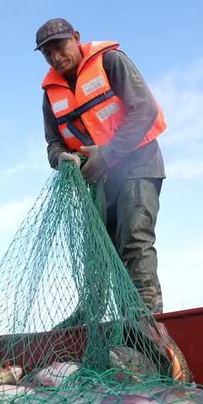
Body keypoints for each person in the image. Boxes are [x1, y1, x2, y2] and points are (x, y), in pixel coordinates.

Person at [36, 18, 167, 314]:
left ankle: (144, 326)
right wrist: (61, 160)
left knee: (133, 241)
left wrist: (107, 155)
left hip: (138, 165)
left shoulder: (111, 61)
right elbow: (53, 145)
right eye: (48, 54)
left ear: (77, 38)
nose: (56, 57)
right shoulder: (50, 93)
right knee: (100, 254)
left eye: (60, 47)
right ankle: (99, 322)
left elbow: (144, 109)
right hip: (98, 182)